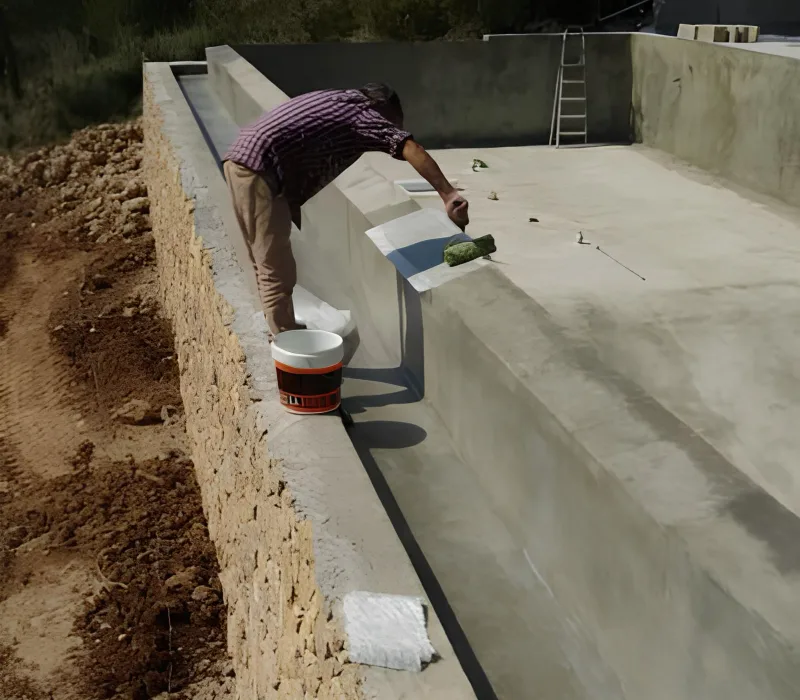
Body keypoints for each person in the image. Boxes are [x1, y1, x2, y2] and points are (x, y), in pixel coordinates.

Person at [223, 83, 469, 336]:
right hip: (260, 168)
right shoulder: (365, 114)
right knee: (275, 267)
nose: (391, 129)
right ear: (383, 108)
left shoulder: (341, 100)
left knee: (261, 258)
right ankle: (287, 339)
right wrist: (449, 194)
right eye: (393, 123)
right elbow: (411, 148)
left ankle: (277, 327)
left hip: (242, 159)